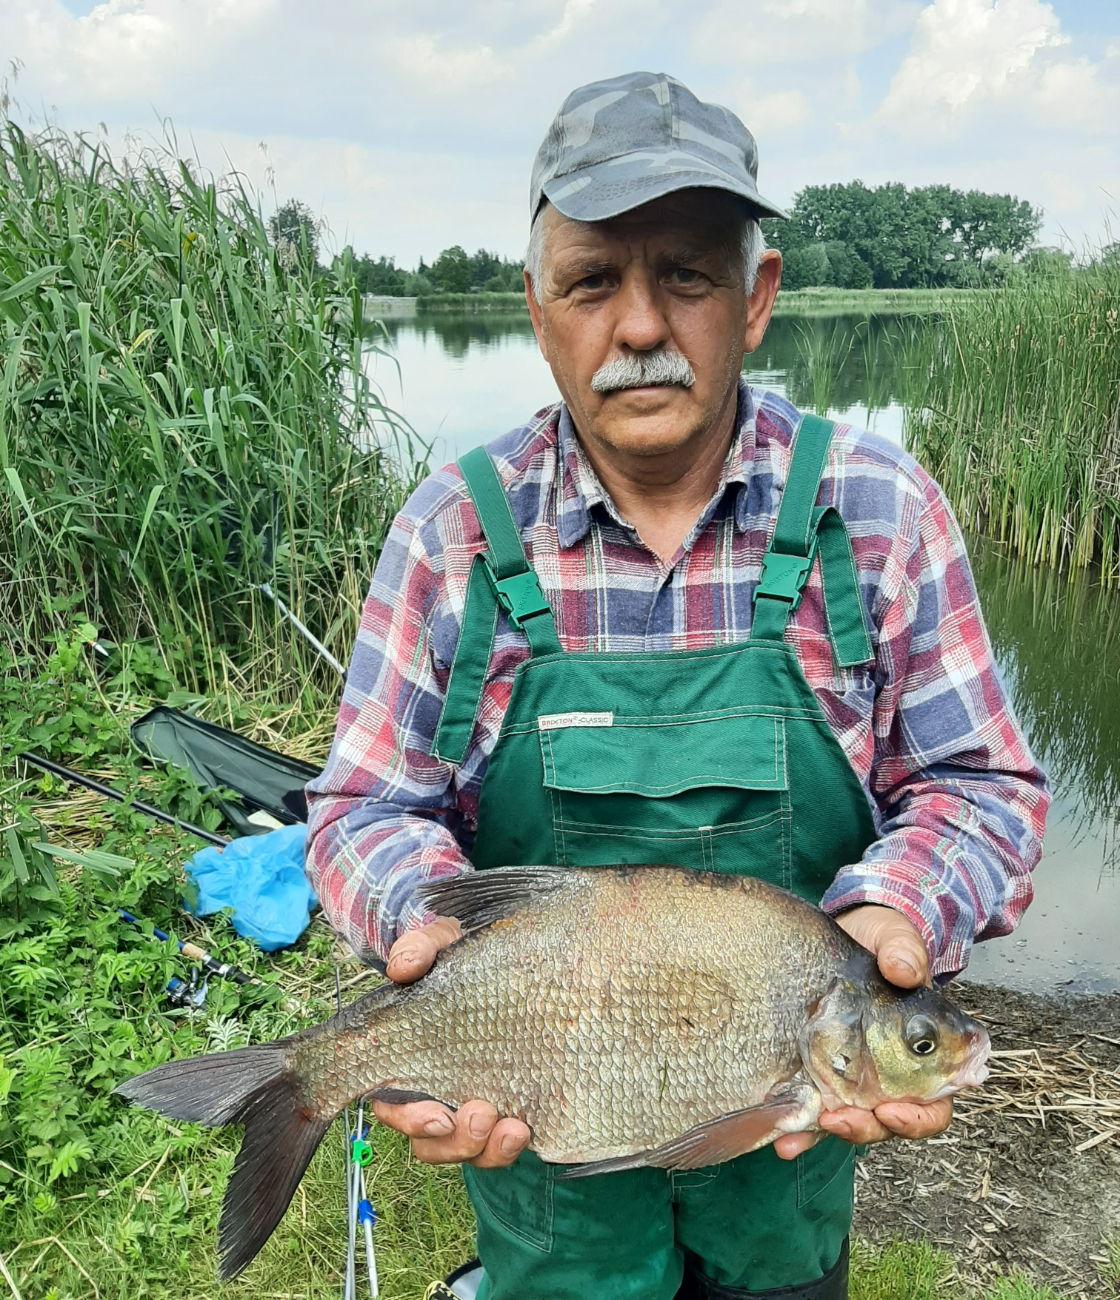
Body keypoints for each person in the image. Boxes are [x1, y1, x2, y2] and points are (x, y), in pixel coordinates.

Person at [305, 71, 1048, 1300]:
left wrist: (899, 912)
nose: (639, 326)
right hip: (541, 1131)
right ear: (535, 304)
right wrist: (431, 931)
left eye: (687, 276)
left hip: (787, 1153)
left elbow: (983, 786)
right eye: (594, 280)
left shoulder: (876, 512)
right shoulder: (451, 533)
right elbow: (363, 810)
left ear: (754, 299)